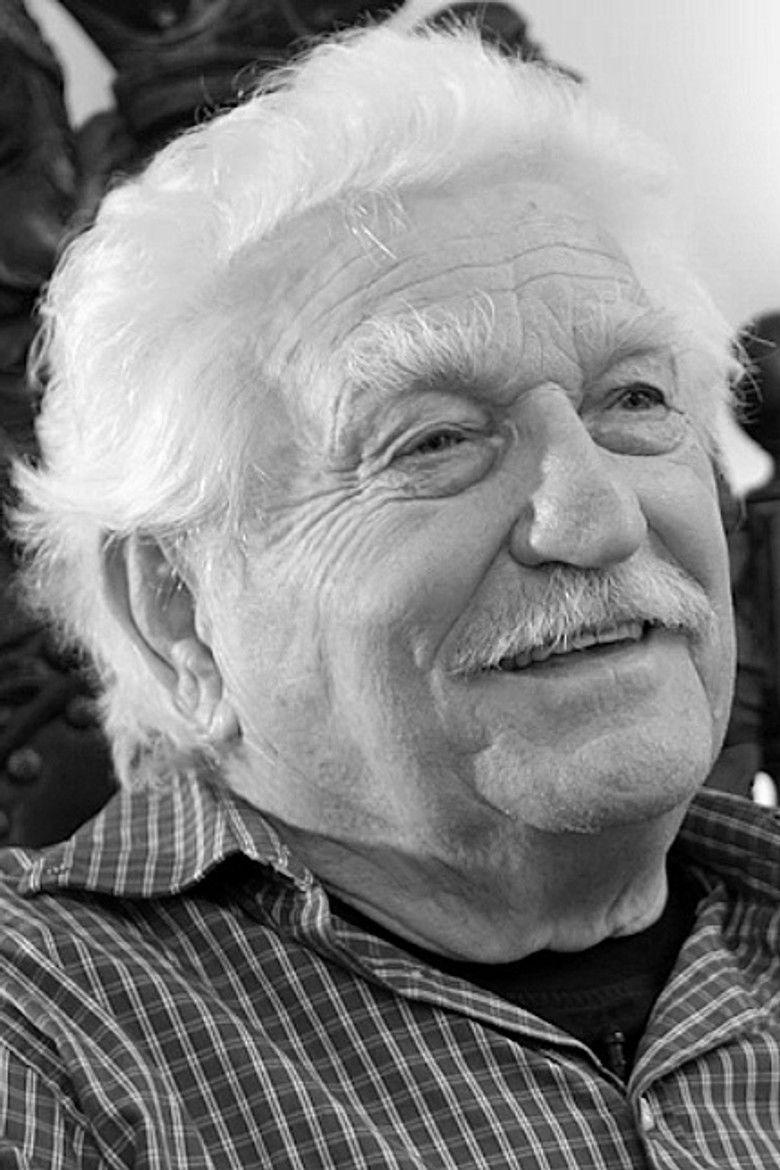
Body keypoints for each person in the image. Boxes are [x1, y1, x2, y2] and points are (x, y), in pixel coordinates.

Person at [1, 23, 778, 1170]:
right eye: (436, 439)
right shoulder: (43, 1042)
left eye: (634, 401)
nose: (600, 517)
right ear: (178, 608)